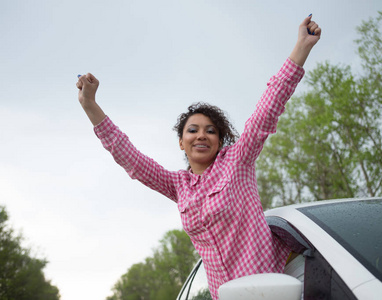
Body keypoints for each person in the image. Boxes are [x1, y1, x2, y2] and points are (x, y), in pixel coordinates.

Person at [76, 14, 321, 300]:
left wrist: (302, 47)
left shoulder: (237, 161)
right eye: (193, 130)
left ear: (219, 141)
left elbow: (267, 110)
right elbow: (129, 157)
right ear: (182, 143)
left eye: (211, 131)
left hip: (272, 288)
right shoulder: (177, 186)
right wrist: (90, 105)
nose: (202, 135)